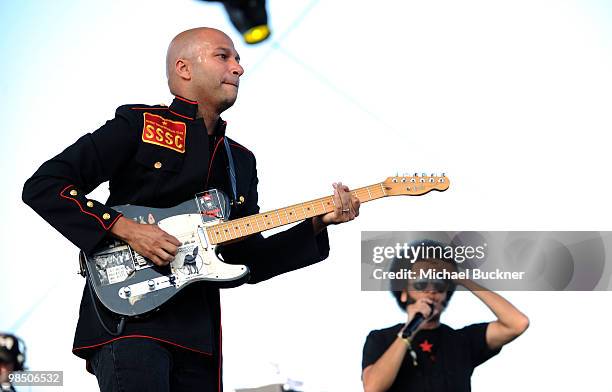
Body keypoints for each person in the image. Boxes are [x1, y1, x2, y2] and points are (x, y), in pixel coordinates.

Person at [22, 27, 360, 392]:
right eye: (223, 56)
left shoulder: (240, 161)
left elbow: (249, 257)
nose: (238, 68)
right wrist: (126, 228)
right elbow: (45, 185)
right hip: (131, 322)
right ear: (184, 68)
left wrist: (316, 224)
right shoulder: (140, 124)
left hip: (199, 340)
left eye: (238, 59)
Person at [362, 240, 529, 392]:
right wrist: (409, 332)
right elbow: (373, 387)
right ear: (404, 293)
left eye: (439, 284)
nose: (431, 290)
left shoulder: (462, 340)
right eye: (421, 283)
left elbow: (517, 323)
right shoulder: (381, 338)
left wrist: (461, 279)